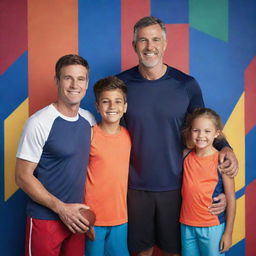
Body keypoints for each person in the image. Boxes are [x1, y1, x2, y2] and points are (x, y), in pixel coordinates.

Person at [116, 16, 238, 256]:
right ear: (134, 46)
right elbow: (109, 134)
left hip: (178, 186)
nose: (149, 46)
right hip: (134, 187)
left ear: (165, 44)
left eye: (155, 40)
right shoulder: (121, 85)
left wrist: (226, 147)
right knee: (141, 251)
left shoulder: (186, 84)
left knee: (175, 251)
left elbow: (204, 125)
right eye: (143, 40)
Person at [15, 54, 96, 256]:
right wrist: (61, 209)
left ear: (86, 83)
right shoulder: (39, 122)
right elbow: (22, 177)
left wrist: (89, 217)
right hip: (45, 218)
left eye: (81, 78)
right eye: (68, 77)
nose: (74, 84)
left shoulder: (89, 120)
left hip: (77, 220)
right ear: (57, 81)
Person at [84, 76, 131, 256]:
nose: (112, 107)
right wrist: (84, 217)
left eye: (117, 101)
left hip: (120, 217)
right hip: (93, 218)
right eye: (106, 101)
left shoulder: (129, 136)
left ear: (125, 107)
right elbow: (77, 175)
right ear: (97, 106)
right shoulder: (89, 136)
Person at [180, 108, 236, 256]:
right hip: (186, 225)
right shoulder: (185, 156)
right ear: (190, 131)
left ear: (217, 133)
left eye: (207, 131)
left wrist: (228, 233)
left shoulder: (222, 160)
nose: (201, 136)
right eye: (196, 130)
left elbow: (230, 197)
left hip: (212, 226)